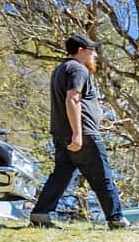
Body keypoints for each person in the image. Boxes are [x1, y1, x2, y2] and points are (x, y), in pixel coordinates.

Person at [27, 33, 126, 230]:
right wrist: (78, 134)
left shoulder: (60, 69)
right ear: (81, 50)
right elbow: (72, 99)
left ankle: (40, 214)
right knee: (103, 176)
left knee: (61, 174)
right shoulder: (78, 69)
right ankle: (116, 220)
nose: (95, 54)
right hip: (83, 134)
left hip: (61, 133)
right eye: (92, 50)